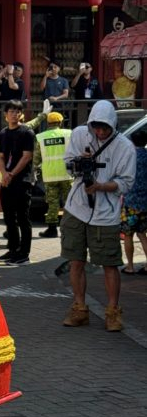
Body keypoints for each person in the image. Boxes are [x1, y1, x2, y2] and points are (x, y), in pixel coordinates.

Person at [60, 100, 136, 332]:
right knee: (75, 261)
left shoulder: (124, 147)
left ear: (113, 125)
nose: (100, 132)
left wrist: (101, 187)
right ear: (90, 124)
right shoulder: (79, 134)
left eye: (105, 128)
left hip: (105, 214)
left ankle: (113, 311)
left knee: (110, 264)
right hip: (76, 208)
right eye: (96, 127)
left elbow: (126, 182)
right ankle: (80, 308)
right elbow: (67, 164)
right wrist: (78, 164)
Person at [0, 100, 35, 265]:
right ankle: (12, 250)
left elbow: (27, 157)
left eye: (17, 111)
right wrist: (5, 173)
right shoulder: (3, 133)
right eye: (11, 111)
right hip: (6, 181)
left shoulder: (27, 132)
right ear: (6, 114)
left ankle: (23, 254)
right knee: (8, 216)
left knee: (23, 217)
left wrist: (11, 174)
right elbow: (0, 156)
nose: (14, 114)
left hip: (22, 180)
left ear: (21, 114)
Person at [33, 111, 72, 239]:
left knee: (52, 203)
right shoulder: (69, 134)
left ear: (48, 123)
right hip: (67, 174)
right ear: (60, 123)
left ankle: (52, 229)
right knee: (69, 203)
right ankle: (70, 229)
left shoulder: (41, 137)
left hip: (50, 176)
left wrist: (33, 170)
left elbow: (36, 159)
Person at [119, 128, 147, 275]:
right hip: (145, 202)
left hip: (130, 202)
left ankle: (130, 266)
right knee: (142, 234)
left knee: (128, 235)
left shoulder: (129, 157)